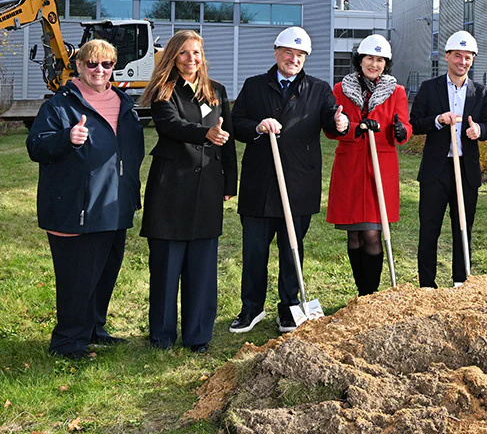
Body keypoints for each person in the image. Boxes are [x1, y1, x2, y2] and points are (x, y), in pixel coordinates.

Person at [26, 39, 145, 360]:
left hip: (114, 205)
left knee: (105, 272)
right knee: (77, 279)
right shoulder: (60, 106)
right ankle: (67, 342)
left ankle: (94, 329)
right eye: (92, 64)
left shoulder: (124, 103)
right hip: (75, 208)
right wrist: (67, 138)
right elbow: (36, 146)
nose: (99, 70)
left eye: (106, 65)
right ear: (79, 66)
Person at [229, 26, 348, 334]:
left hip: (298, 182)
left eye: (300, 55)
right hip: (259, 182)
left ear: (305, 58)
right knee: (255, 250)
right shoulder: (254, 86)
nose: (293, 59)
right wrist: (258, 126)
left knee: (292, 248)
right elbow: (236, 123)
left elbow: (332, 126)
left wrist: (340, 122)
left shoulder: (319, 89)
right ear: (276, 53)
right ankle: (251, 308)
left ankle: (288, 307)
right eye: (288, 53)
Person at [140, 31, 237, 353]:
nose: (191, 59)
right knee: (167, 265)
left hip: (207, 186)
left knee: (202, 266)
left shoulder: (217, 91)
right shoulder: (163, 91)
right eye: (183, 53)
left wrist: (229, 183)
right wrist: (205, 133)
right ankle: (162, 335)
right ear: (172, 56)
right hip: (171, 185)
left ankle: (198, 335)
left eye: (196, 52)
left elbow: (229, 140)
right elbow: (170, 125)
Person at [326, 34, 410, 296]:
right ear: (359, 60)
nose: (374, 64)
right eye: (369, 58)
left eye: (380, 60)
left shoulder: (396, 92)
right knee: (354, 235)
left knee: (373, 234)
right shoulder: (340, 89)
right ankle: (360, 292)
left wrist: (399, 131)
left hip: (380, 168)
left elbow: (406, 126)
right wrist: (355, 128)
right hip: (350, 167)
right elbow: (332, 128)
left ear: (386, 63)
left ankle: (369, 295)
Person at [409, 30, 487, 288]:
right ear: (447, 57)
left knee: (462, 229)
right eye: (458, 56)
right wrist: (437, 121)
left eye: (468, 57)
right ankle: (427, 284)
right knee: (430, 230)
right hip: (436, 170)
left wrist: (479, 129)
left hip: (465, 171)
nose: (463, 62)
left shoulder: (480, 93)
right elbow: (415, 123)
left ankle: (460, 281)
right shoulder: (429, 88)